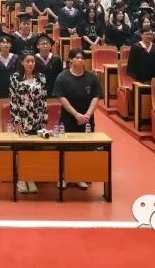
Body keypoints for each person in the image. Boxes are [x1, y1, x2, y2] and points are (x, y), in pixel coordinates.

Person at [53, 48, 103, 192]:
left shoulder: (91, 78)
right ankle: (64, 176)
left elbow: (96, 96)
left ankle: (80, 176)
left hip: (87, 120)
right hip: (68, 119)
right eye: (77, 58)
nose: (80, 60)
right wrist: (76, 114)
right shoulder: (62, 77)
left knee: (84, 148)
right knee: (67, 148)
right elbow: (61, 97)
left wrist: (87, 115)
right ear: (71, 60)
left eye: (82, 58)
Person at [9, 53, 48, 194]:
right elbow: (13, 101)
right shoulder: (14, 77)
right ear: (22, 62)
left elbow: (44, 100)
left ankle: (30, 178)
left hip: (37, 119)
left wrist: (44, 120)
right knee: (21, 150)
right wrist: (16, 121)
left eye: (32, 61)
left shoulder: (41, 77)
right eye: (27, 61)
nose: (30, 64)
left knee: (33, 150)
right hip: (22, 120)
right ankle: (21, 179)